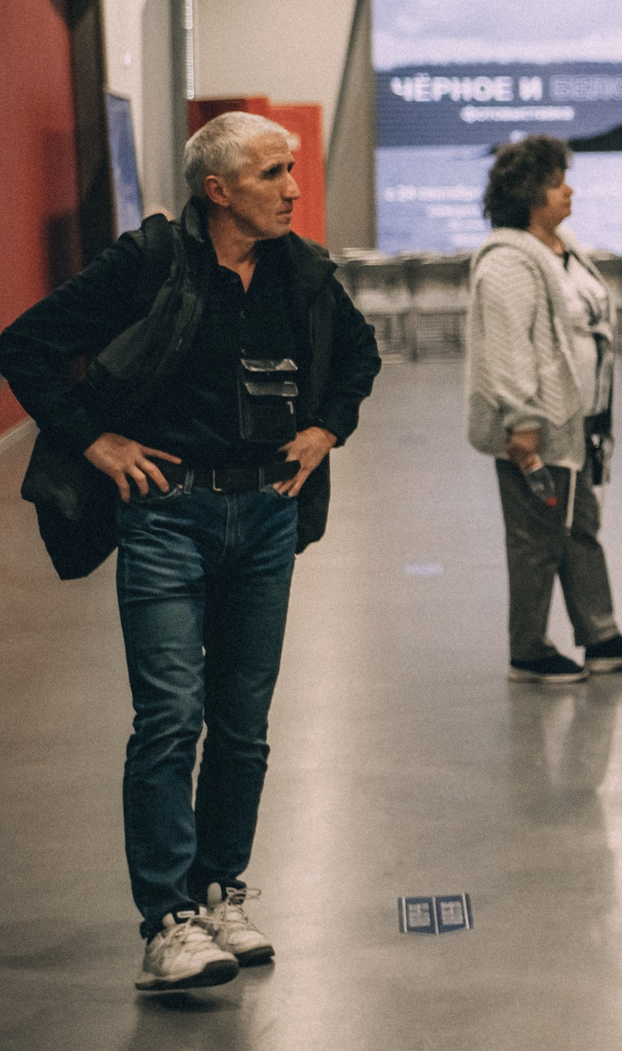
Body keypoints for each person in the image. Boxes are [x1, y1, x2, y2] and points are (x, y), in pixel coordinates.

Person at [0, 111, 380, 992]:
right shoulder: (150, 263)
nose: (293, 187)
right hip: (167, 517)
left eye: (291, 170)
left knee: (243, 724)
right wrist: (96, 440)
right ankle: (167, 919)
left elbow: (358, 357)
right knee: (171, 716)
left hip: (267, 518)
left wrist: (326, 427)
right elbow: (25, 344)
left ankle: (220, 891)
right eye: (273, 173)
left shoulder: (304, 271)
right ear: (218, 190)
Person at [463, 136, 622, 685]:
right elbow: (508, 348)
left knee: (579, 528)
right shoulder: (507, 261)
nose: (568, 189)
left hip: (577, 426)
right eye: (556, 183)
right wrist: (521, 421)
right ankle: (526, 649)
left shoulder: (561, 246)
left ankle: (600, 635)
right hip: (536, 429)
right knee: (535, 541)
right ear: (530, 194)